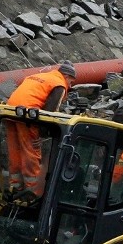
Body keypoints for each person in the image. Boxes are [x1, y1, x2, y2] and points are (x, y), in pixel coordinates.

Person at [5, 60, 77, 196]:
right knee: (30, 152)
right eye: (71, 82)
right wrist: (42, 135)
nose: (70, 85)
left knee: (14, 150)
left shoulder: (41, 76)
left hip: (9, 110)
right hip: (28, 114)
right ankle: (31, 192)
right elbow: (50, 113)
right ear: (66, 76)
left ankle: (14, 187)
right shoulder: (59, 84)